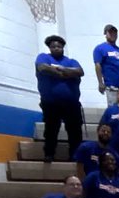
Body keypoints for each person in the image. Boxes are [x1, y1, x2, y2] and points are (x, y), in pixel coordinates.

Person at [36, 35, 85, 164]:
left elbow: (80, 71)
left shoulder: (71, 61)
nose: (56, 48)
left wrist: (63, 69)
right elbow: (42, 68)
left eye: (59, 46)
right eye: (53, 46)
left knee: (75, 131)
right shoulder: (43, 57)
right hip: (51, 104)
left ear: (63, 47)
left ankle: (75, 155)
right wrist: (63, 73)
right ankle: (49, 154)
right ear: (49, 48)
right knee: (51, 130)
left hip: (71, 104)